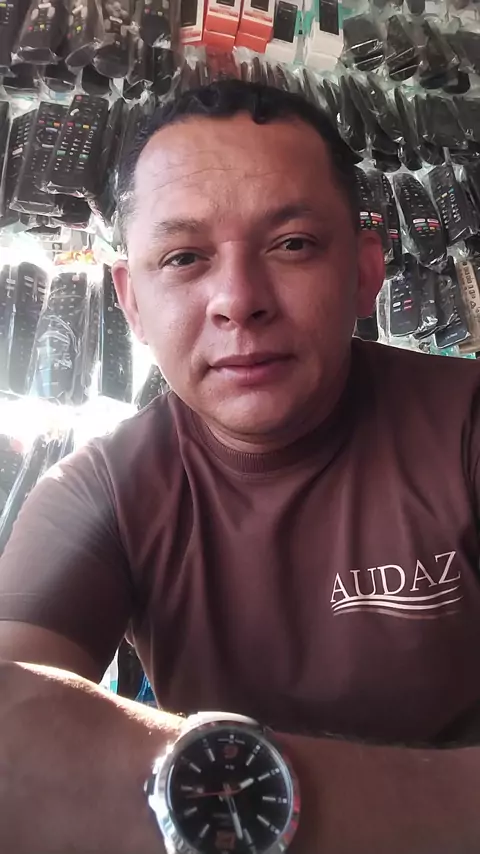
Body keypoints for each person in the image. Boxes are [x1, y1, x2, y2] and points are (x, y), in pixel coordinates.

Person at [0, 79, 480, 853]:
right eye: (185, 257)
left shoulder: (466, 423)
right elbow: (10, 742)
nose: (237, 300)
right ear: (131, 301)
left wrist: (208, 797)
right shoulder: (99, 495)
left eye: (292, 244)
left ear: (366, 271)